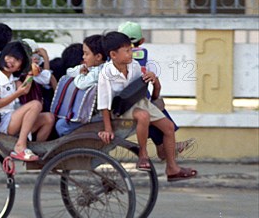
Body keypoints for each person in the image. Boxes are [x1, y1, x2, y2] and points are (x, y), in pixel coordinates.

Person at [97, 31, 197, 181]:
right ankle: (143, 155)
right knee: (143, 116)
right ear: (113, 55)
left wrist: (152, 79)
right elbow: (104, 103)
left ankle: (172, 168)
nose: (131, 53)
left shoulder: (134, 66)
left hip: (139, 102)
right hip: (120, 109)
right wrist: (108, 128)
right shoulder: (106, 73)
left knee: (169, 127)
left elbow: (141, 87)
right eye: (127, 51)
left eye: (130, 49)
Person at [118, 21, 195, 160]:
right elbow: (155, 87)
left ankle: (162, 147)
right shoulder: (146, 60)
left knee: (153, 107)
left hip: (122, 102)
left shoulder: (112, 58)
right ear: (142, 41)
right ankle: (162, 147)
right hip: (134, 104)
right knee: (155, 106)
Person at [0, 41, 55, 161]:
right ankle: (20, 146)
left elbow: (25, 89)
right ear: (3, 56)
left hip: (12, 119)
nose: (11, 61)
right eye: (9, 56)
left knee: (48, 118)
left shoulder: (13, 78)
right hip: (2, 121)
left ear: (20, 66)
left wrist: (30, 73)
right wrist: (17, 93)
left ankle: (35, 150)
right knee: (35, 105)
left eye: (16, 59)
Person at [55, 34, 106, 137]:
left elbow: (81, 84)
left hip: (96, 115)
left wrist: (82, 74)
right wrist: (80, 70)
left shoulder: (99, 72)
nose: (83, 57)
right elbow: (69, 72)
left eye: (86, 54)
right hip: (90, 112)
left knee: (61, 125)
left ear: (98, 57)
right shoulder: (92, 68)